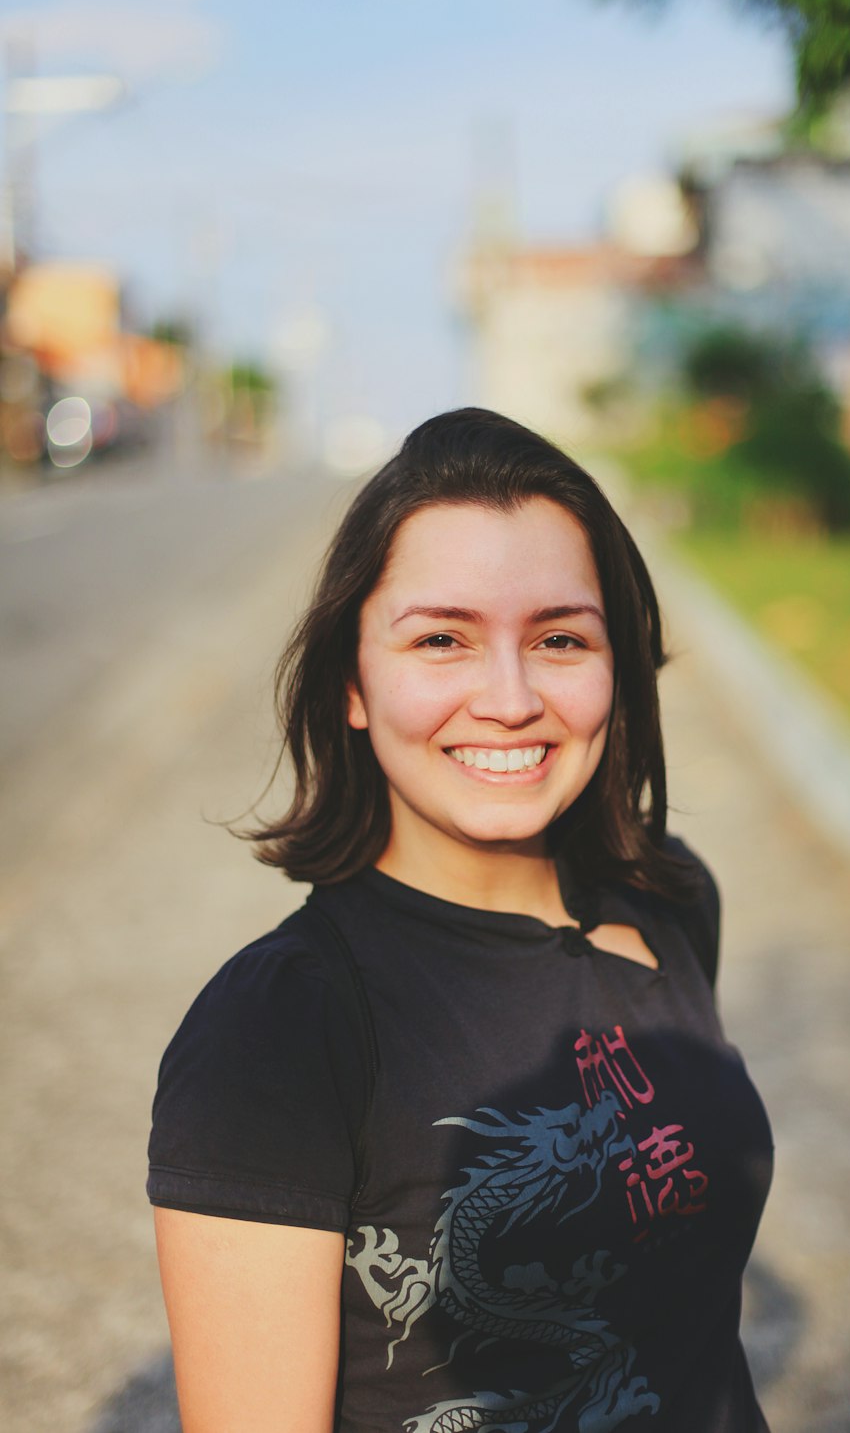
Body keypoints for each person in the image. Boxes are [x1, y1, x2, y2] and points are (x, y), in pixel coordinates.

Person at [148, 407, 774, 1433]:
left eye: (560, 639)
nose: (511, 697)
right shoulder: (279, 1028)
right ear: (353, 683)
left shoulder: (669, 898)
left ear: (615, 670)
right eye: (442, 639)